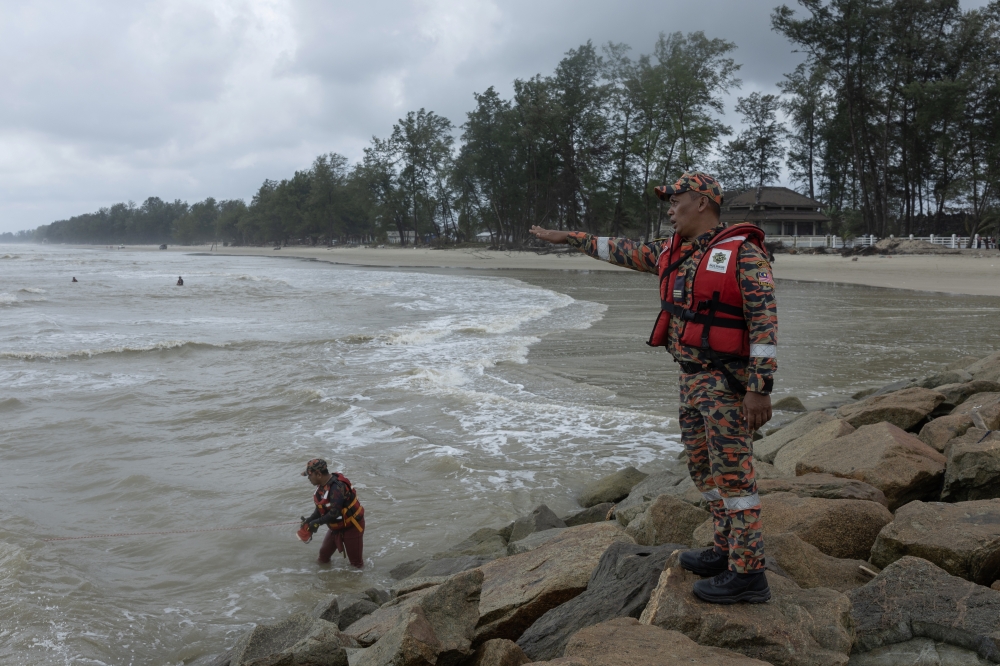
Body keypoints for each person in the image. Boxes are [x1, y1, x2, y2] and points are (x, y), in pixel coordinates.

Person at [529, 171, 777, 604]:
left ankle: (749, 573)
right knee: (704, 471)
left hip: (727, 385)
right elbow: (618, 250)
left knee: (736, 479)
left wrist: (760, 388)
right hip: (691, 379)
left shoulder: (743, 254)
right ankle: (725, 549)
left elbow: (765, 323)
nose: (669, 208)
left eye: (675, 200)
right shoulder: (673, 252)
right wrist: (569, 236)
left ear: (701, 202)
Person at [300, 458, 365, 568]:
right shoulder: (322, 487)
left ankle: (358, 583)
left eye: (309, 475)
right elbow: (320, 510)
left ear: (318, 474)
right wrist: (309, 520)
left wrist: (317, 523)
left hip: (352, 527)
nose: (308, 479)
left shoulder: (337, 488)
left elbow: (335, 512)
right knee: (323, 557)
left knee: (356, 564)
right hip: (336, 528)